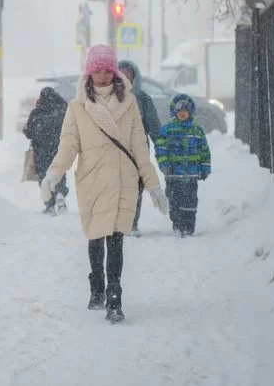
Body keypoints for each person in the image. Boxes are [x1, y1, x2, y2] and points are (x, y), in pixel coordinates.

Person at [41, 44, 169, 323]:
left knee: (116, 239)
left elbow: (139, 148)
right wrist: (54, 173)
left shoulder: (130, 103)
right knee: (96, 237)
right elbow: (68, 145)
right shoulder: (77, 106)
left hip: (123, 180)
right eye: (96, 71)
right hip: (93, 181)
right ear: (89, 73)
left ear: (113, 71)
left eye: (106, 71)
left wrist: (153, 185)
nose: (101, 76)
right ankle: (96, 285)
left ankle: (115, 298)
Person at [154, 93, 211, 238]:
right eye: (180, 112)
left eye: (186, 112)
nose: (183, 114)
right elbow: (161, 149)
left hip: (191, 175)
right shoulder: (167, 130)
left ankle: (189, 227)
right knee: (174, 202)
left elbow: (204, 150)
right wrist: (164, 164)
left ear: (190, 112)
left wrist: (205, 167)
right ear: (174, 112)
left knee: (190, 202)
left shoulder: (197, 131)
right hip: (173, 175)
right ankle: (178, 225)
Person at [118, 59, 161, 237]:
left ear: (135, 78)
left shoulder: (142, 98)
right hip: (116, 151)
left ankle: (132, 223)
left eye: (129, 75)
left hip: (138, 151)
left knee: (135, 187)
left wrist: (161, 147)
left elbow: (154, 125)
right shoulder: (108, 98)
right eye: (121, 75)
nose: (125, 79)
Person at [23, 87, 69, 214]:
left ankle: (50, 204)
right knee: (59, 173)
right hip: (59, 149)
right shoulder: (62, 111)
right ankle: (60, 192)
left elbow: (29, 132)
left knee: (44, 176)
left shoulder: (37, 113)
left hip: (41, 152)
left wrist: (26, 130)